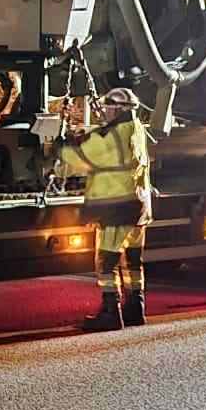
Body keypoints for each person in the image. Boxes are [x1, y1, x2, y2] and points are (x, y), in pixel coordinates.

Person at [65, 87, 154, 332]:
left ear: (118, 108)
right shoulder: (137, 129)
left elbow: (80, 156)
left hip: (118, 209)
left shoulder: (113, 135)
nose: (104, 111)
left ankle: (110, 313)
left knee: (106, 263)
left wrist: (62, 146)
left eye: (108, 107)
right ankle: (135, 308)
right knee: (133, 261)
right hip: (139, 206)